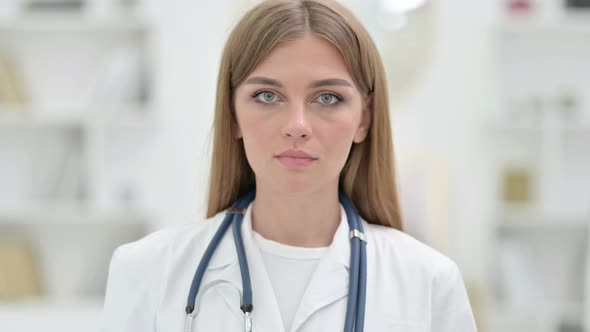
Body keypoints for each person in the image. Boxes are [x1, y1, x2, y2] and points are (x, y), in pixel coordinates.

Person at [100, 0, 478, 331]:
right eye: (267, 95)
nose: (297, 126)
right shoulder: (146, 271)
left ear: (364, 119)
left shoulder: (429, 282)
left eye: (327, 98)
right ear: (232, 113)